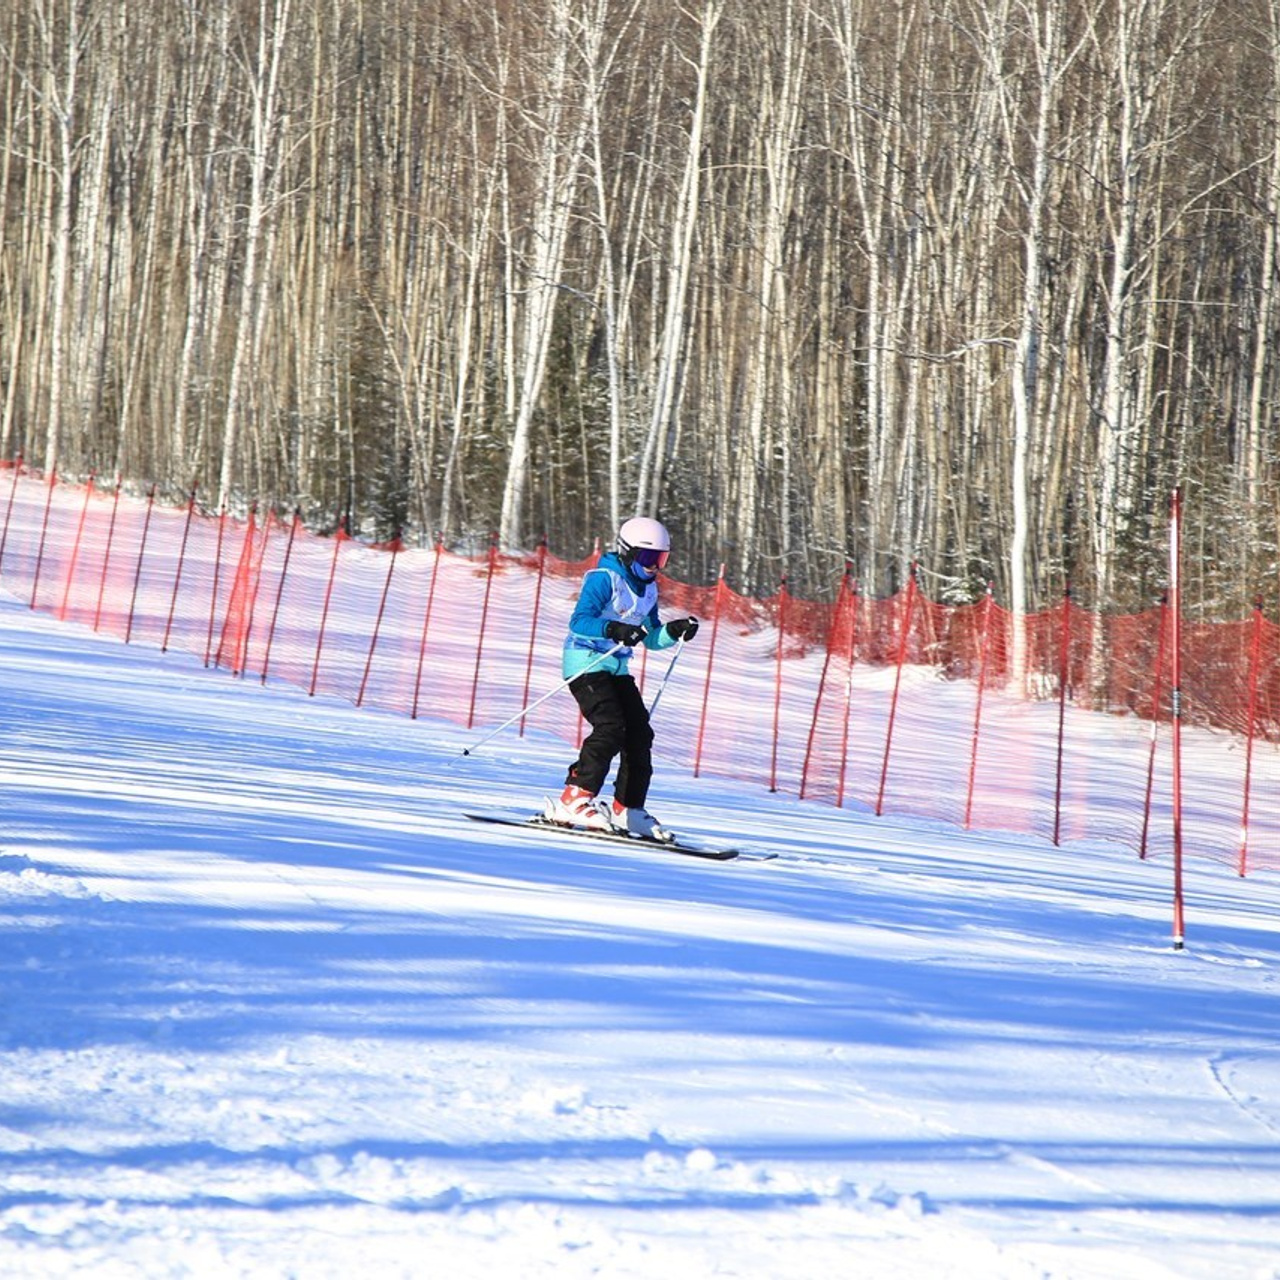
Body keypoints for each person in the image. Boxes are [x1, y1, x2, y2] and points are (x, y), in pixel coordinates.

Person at [545, 516, 699, 840]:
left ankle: (627, 808)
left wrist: (673, 631)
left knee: (640, 732)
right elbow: (579, 621)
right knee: (611, 726)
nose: (654, 567)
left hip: (615, 667)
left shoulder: (649, 590)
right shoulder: (604, 578)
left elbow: (651, 637)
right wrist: (613, 628)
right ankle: (573, 798)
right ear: (628, 553)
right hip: (586, 662)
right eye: (648, 559)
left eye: (660, 560)